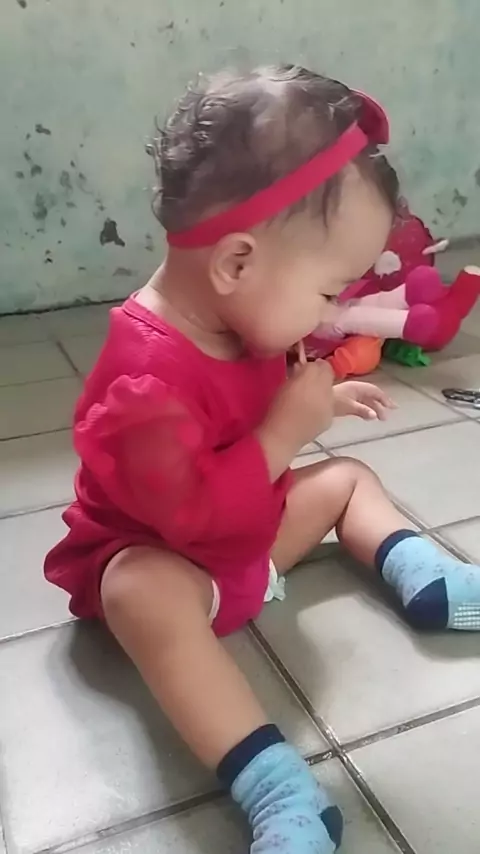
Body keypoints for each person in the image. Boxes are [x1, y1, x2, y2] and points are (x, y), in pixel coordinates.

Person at [45, 65, 480, 854]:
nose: (334, 312)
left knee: (347, 480)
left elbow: (251, 406)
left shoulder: (238, 314)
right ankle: (279, 789)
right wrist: (283, 433)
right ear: (237, 263)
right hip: (183, 565)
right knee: (136, 587)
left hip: (249, 539)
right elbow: (191, 518)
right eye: (327, 292)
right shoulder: (144, 379)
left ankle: (432, 582)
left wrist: (320, 401)